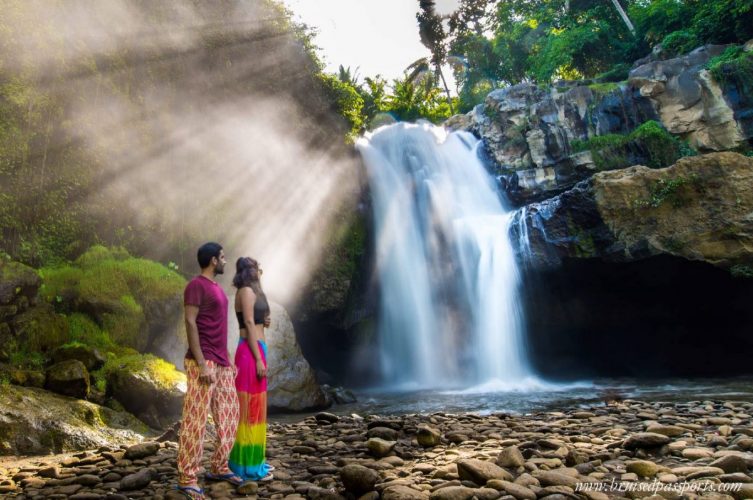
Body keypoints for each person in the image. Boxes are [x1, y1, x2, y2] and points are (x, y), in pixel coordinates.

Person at [176, 242, 242, 499]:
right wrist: (202, 363)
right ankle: (187, 477)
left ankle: (219, 465)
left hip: (222, 362)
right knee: (196, 420)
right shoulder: (196, 286)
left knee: (230, 415)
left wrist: (228, 359)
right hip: (202, 362)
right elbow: (190, 322)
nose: (226, 261)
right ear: (213, 260)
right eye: (223, 257)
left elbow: (219, 327)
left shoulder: (216, 288)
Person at [228, 257, 274, 481]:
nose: (258, 271)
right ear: (246, 271)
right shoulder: (245, 291)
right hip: (249, 352)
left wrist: (265, 322)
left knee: (257, 408)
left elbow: (255, 319)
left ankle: (256, 460)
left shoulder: (253, 290)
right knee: (248, 409)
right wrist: (258, 359)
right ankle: (245, 467)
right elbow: (247, 323)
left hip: (257, 349)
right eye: (254, 268)